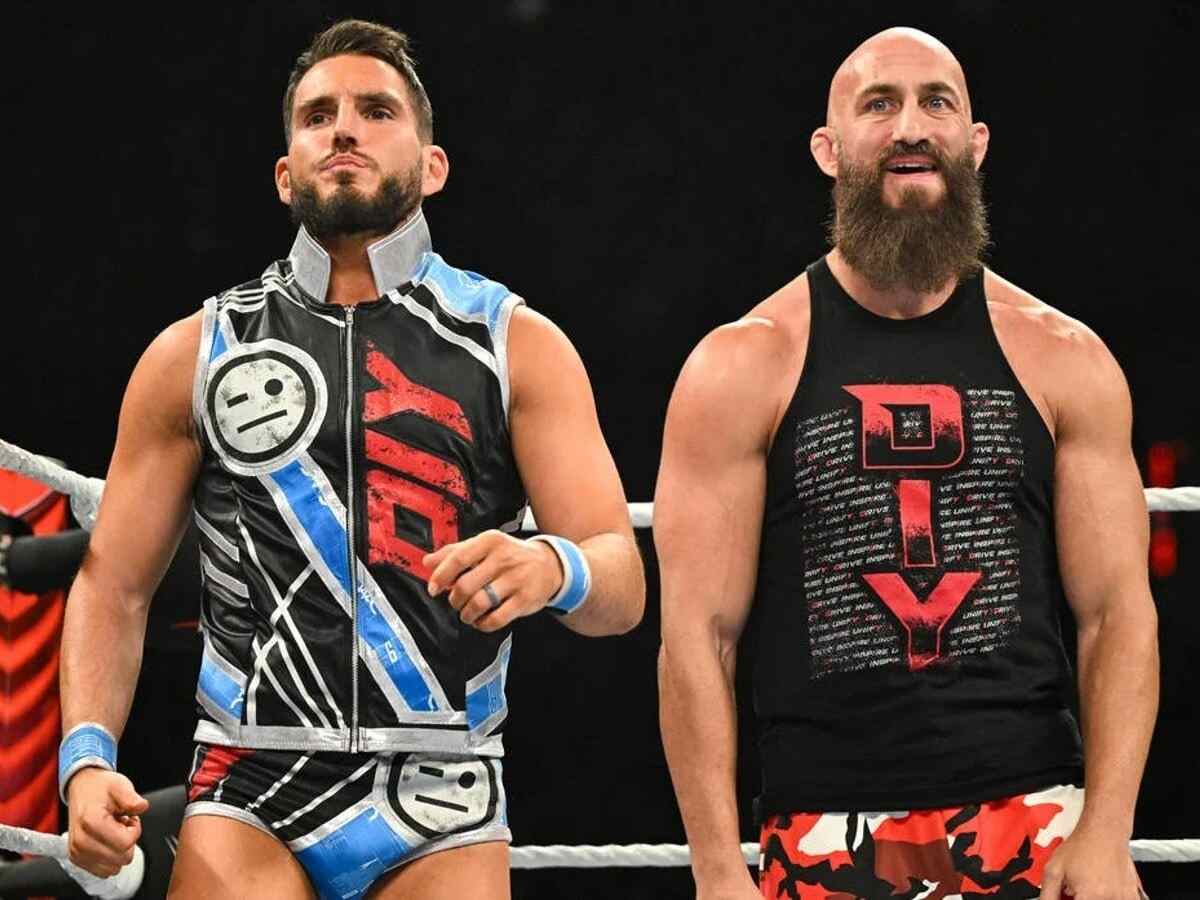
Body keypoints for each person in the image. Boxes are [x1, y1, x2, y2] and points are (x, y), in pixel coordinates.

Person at [58, 19, 644, 900]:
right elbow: (114, 584)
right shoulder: (197, 353)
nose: (343, 130)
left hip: (443, 785)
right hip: (251, 776)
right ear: (285, 172)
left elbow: (622, 585)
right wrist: (85, 759)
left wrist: (553, 566)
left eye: (376, 111)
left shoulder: (517, 344)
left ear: (432, 165)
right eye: (318, 115)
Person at [655, 26, 1157, 900]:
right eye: (879, 104)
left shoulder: (1064, 358)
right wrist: (716, 871)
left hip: (1035, 812)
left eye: (937, 103)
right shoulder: (741, 366)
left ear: (975, 141)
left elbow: (1117, 615)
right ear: (829, 149)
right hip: (823, 823)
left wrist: (1109, 833)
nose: (911, 127)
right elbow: (698, 638)